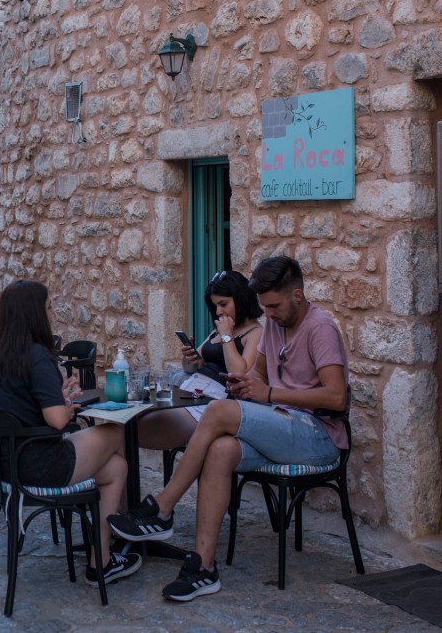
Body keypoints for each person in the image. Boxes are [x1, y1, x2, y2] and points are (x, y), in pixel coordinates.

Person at [109, 255, 347, 602]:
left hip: (316, 434)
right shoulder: (275, 325)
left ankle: (162, 508)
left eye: (275, 306)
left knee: (218, 412)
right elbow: (260, 376)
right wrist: (243, 383)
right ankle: (203, 568)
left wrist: (267, 393)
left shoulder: (319, 327)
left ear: (297, 296)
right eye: (265, 308)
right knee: (220, 450)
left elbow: (337, 396)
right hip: (280, 424)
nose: (271, 315)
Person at [0, 279, 141, 587]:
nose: (52, 313)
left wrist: (57, 400)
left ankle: (100, 561)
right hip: (39, 464)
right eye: (48, 307)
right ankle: (131, 524)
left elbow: (23, 405)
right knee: (116, 434)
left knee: (117, 467)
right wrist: (65, 408)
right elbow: (57, 421)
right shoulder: (38, 355)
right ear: (34, 314)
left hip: (5, 465)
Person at [137, 269, 265, 457]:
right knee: (132, 418)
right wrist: (189, 358)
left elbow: (239, 373)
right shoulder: (218, 331)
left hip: (210, 402)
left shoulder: (255, 333)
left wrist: (227, 336)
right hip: (189, 391)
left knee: (134, 429)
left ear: (241, 299)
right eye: (215, 306)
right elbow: (192, 367)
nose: (219, 312)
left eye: (224, 304)